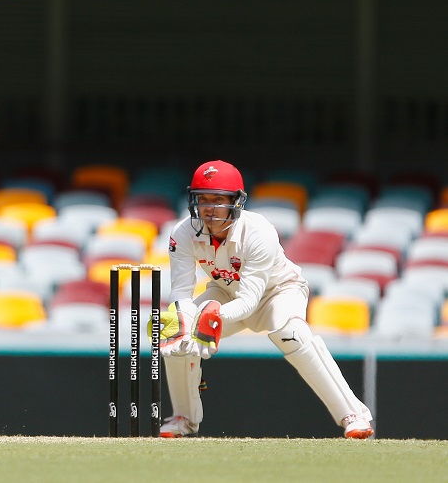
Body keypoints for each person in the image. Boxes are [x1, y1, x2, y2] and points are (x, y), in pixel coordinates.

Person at [157, 159, 374, 439]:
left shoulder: (258, 232)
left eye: (218, 200)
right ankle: (183, 418)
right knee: (177, 335)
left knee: (291, 332)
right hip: (225, 291)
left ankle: (353, 415)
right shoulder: (182, 232)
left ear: (235, 202)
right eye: (203, 199)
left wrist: (214, 315)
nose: (209, 209)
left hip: (278, 291)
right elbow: (181, 292)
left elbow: (250, 302)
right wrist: (184, 319)